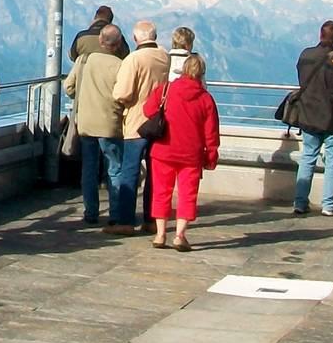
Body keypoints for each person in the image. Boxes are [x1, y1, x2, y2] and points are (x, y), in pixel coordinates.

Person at [143, 53, 219, 251]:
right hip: (191, 155)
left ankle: (160, 234)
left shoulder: (166, 90)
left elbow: (148, 110)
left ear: (184, 69)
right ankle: (179, 235)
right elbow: (211, 133)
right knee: (187, 194)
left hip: (162, 151)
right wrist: (211, 156)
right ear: (202, 74)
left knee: (161, 192)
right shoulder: (206, 99)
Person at [289, 20, 333, 216]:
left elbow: (302, 78)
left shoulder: (305, 55)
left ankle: (300, 202)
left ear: (320, 35)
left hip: (309, 115)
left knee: (307, 158)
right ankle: (328, 205)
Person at [63, 24, 125, 228]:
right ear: (117, 45)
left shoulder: (84, 60)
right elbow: (124, 95)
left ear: (100, 40)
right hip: (110, 123)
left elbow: (68, 87)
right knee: (114, 169)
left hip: (87, 123)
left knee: (88, 169)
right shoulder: (119, 65)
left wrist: (82, 97)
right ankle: (116, 213)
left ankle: (91, 212)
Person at [112, 19, 169, 233]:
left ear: (136, 38)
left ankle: (125, 221)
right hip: (159, 122)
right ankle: (151, 219)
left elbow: (123, 93)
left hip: (136, 122)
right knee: (155, 173)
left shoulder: (133, 59)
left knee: (130, 171)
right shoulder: (164, 56)